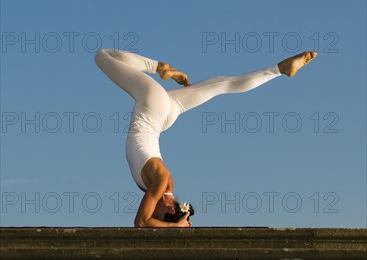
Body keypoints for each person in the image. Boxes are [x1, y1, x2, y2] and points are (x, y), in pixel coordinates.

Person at [94, 48, 317, 228]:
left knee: (222, 84)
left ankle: (279, 69)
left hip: (161, 113)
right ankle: (159, 67)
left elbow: (146, 220)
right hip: (153, 106)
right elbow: (141, 222)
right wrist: (176, 228)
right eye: (158, 213)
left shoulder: (158, 186)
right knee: (102, 56)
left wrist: (175, 225)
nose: (152, 209)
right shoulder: (161, 181)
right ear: (170, 208)